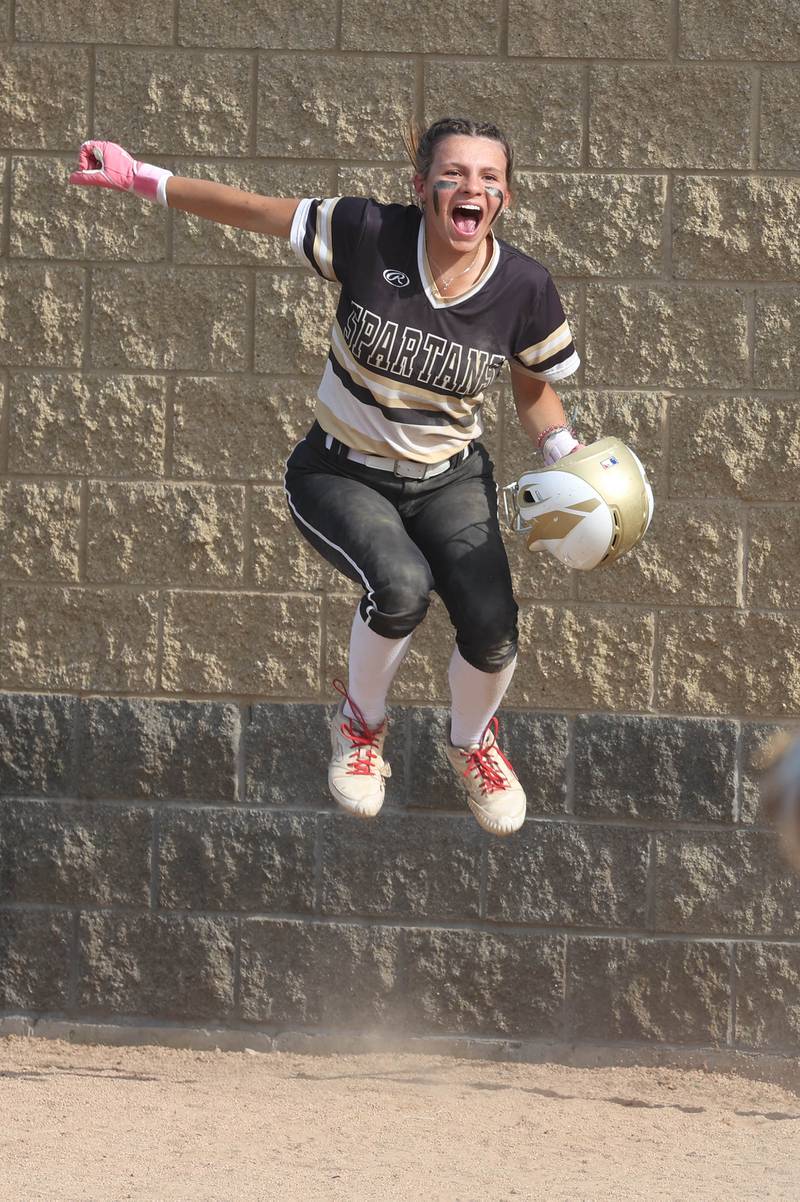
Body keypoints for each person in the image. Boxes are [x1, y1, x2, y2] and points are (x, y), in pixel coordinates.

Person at [69, 117, 583, 837]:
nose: (472, 187)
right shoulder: (368, 231)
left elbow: (533, 387)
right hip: (341, 472)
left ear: (506, 197)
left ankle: (473, 745)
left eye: (489, 178)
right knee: (401, 588)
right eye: (455, 173)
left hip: (449, 477)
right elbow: (250, 209)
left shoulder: (524, 286)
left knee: (494, 627)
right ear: (421, 186)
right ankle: (361, 727)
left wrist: (565, 451)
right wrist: (138, 177)